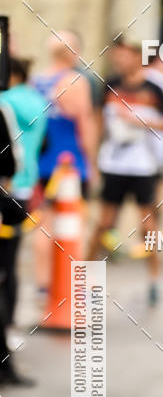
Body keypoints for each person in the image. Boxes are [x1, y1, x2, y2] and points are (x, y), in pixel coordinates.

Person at [87, 35, 163, 305]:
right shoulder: (110, 85)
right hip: (113, 164)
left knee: (148, 226)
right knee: (103, 223)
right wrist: (93, 159)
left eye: (125, 55)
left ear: (138, 57)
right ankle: (85, 279)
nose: (119, 60)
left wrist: (141, 121)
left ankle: (154, 280)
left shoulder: (155, 89)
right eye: (116, 55)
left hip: (143, 166)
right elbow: (98, 122)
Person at [31, 31, 95, 302]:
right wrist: (92, 162)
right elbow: (85, 124)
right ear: (71, 52)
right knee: (71, 224)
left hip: (42, 162)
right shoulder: (74, 80)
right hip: (69, 163)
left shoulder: (37, 81)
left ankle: (43, 284)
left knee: (43, 225)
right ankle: (69, 285)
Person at [0, 58, 47, 356]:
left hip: (6, 187)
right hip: (25, 185)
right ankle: (10, 330)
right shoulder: (38, 100)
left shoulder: (5, 101)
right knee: (11, 266)